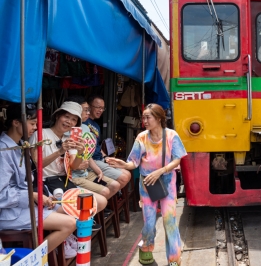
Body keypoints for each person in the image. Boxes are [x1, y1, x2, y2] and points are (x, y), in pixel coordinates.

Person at [107, 104, 186, 266]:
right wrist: (121, 164)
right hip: (146, 184)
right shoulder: (141, 137)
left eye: (147, 117)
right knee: (149, 222)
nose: (144, 121)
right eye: (143, 117)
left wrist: (160, 171)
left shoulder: (171, 135)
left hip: (167, 182)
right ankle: (146, 248)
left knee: (169, 221)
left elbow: (177, 159)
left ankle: (174, 260)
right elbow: (133, 163)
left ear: (158, 118)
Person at [0, 104, 76, 254]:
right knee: (70, 223)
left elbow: (31, 179)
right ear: (16, 122)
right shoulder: (3, 151)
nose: (35, 128)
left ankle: (56, 248)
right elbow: (1, 194)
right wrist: (33, 196)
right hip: (9, 213)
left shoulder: (21, 144)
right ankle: (33, 258)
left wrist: (42, 195)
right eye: (32, 123)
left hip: (24, 205)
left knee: (70, 209)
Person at [28, 102, 107, 221]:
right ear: (57, 116)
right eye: (66, 117)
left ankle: (75, 229)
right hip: (46, 183)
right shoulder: (40, 134)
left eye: (74, 119)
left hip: (64, 182)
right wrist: (60, 151)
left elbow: (74, 166)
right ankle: (74, 230)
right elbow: (36, 165)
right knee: (79, 209)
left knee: (101, 202)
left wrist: (81, 152)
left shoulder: (69, 139)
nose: (69, 121)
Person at [65, 96, 120, 200]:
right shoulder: (70, 132)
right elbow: (73, 163)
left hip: (86, 171)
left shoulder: (85, 128)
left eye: (88, 110)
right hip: (74, 175)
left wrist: (98, 170)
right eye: (86, 110)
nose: (88, 113)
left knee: (114, 185)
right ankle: (98, 208)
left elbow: (87, 154)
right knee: (106, 190)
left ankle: (100, 208)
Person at [84, 95, 131, 189]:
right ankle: (107, 193)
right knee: (124, 177)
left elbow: (97, 145)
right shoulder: (84, 123)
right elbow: (84, 151)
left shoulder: (96, 125)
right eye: (98, 107)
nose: (100, 110)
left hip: (100, 159)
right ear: (89, 106)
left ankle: (111, 192)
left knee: (127, 173)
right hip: (92, 160)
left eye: (102, 108)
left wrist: (106, 157)